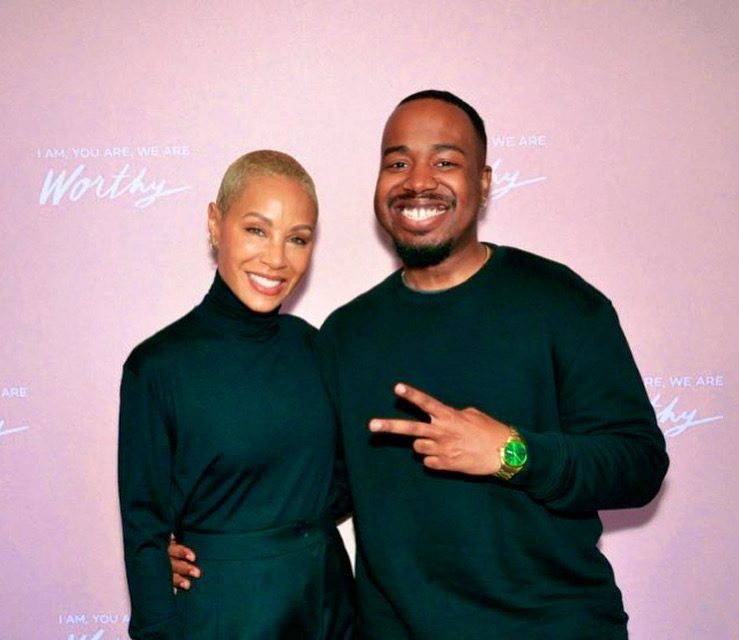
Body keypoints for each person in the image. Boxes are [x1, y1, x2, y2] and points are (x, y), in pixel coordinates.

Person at [172, 91, 669, 639]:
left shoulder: (562, 303)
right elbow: (320, 489)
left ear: (484, 183)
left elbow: (640, 464)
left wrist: (510, 452)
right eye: (398, 163)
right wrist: (200, 539)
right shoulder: (345, 336)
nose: (418, 181)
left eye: (446, 161)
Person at [118, 150, 354, 640]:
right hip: (225, 611)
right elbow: (144, 530)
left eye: (297, 238)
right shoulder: (157, 367)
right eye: (256, 230)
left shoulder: (316, 347)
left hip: (328, 603)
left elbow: (349, 476)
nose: (276, 258)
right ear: (215, 223)